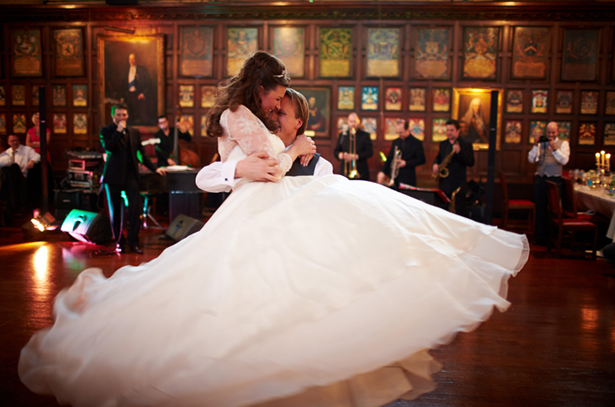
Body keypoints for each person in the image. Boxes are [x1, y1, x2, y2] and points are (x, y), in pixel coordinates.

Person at [19, 52, 529, 407]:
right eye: (279, 97)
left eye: (284, 104)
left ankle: (280, 372)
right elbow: (232, 172)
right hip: (254, 213)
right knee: (231, 297)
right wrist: (260, 163)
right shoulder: (238, 117)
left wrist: (289, 155)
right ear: (262, 88)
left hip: (277, 209)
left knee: (291, 290)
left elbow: (277, 168)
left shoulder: (258, 122)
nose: (279, 106)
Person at [196, 88, 332, 193]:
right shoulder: (251, 151)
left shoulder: (319, 166)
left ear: (298, 123)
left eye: (281, 114)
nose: (272, 119)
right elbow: (203, 178)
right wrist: (239, 169)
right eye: (271, 111)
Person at [99, 103, 166, 254]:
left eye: (124, 115)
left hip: (131, 175)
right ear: (113, 116)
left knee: (135, 209)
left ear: (127, 115)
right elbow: (109, 148)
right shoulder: (106, 131)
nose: (122, 118)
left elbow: (141, 153)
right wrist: (118, 131)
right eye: (118, 115)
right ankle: (119, 242)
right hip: (113, 176)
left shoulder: (134, 132)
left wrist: (155, 168)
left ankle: (134, 242)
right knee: (115, 211)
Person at [528, 121, 570, 245]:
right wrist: (535, 146)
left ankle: (554, 236)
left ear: (557, 132)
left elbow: (564, 160)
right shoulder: (542, 144)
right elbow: (531, 159)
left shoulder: (563, 144)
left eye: (553, 132)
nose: (550, 135)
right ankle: (540, 237)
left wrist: (555, 149)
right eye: (549, 132)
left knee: (553, 209)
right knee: (540, 207)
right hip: (540, 178)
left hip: (554, 180)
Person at [432, 119, 475, 217]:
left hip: (458, 186)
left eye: (451, 130)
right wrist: (435, 164)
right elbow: (439, 157)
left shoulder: (465, 144)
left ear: (458, 131)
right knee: (443, 214)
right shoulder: (443, 143)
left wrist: (459, 152)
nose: (448, 132)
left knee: (459, 215)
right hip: (444, 185)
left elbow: (471, 162)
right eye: (447, 130)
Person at [0, 134, 40, 217]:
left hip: (25, 179)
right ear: (8, 142)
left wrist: (32, 161)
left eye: (16, 140)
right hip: (11, 181)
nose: (14, 142)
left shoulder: (26, 150)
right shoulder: (8, 151)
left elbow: (37, 156)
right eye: (12, 141)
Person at [377, 119, 426, 187]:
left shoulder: (416, 143)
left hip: (408, 178)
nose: (399, 135)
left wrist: (406, 163)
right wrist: (382, 172)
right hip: (395, 178)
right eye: (398, 132)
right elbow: (390, 158)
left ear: (407, 130)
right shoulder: (396, 142)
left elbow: (422, 160)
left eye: (401, 132)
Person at [334, 112, 374, 180]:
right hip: (345, 170)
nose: (353, 124)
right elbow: (336, 151)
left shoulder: (365, 135)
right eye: (351, 121)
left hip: (361, 170)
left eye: (355, 121)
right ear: (348, 122)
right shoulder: (343, 135)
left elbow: (370, 152)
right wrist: (342, 155)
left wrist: (356, 156)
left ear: (359, 122)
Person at [123, 53, 153, 126]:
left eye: (133, 59)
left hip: (139, 95)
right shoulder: (126, 70)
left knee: (143, 117)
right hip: (129, 95)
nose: (132, 61)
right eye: (130, 59)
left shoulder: (142, 70)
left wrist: (143, 94)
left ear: (136, 60)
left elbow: (149, 84)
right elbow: (123, 85)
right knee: (129, 116)